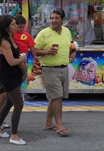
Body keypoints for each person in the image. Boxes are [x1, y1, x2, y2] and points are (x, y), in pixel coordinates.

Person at [34, 8, 76, 137]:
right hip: (49, 69)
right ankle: (59, 125)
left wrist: (73, 52)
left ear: (63, 20)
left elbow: (71, 44)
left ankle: (48, 123)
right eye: (52, 18)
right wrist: (46, 52)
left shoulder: (67, 31)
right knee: (57, 97)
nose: (53, 20)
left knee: (55, 97)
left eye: (56, 18)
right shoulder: (43, 33)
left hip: (64, 68)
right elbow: (34, 49)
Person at [0, 15, 27, 145]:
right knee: (19, 104)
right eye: (13, 24)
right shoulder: (4, 41)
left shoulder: (11, 38)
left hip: (14, 75)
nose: (16, 26)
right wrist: (22, 59)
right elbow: (11, 62)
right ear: (6, 27)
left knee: (10, 103)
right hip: (9, 76)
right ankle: (14, 135)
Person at [13, 15, 38, 83]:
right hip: (16, 55)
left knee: (26, 68)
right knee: (23, 69)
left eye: (23, 27)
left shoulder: (26, 35)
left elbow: (31, 46)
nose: (22, 29)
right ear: (15, 25)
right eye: (20, 27)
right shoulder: (12, 34)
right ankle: (23, 76)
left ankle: (23, 79)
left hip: (25, 55)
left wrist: (35, 55)